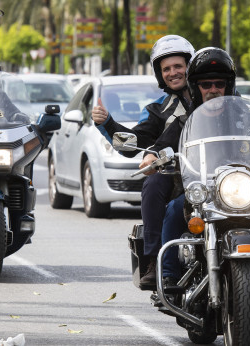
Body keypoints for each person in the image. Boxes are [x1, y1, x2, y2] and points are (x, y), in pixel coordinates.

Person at [150, 47, 250, 308]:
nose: (213, 89)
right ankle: (168, 279)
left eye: (219, 83)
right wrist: (153, 157)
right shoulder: (185, 122)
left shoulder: (246, 117)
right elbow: (161, 147)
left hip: (241, 186)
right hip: (205, 191)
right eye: (206, 84)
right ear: (196, 86)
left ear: (228, 85)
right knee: (174, 210)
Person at [91, 35, 195, 290]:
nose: (173, 73)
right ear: (160, 74)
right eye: (166, 69)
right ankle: (153, 260)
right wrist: (107, 123)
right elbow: (134, 142)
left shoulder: (213, 95)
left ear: (190, 66)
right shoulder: (159, 109)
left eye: (178, 66)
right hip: (177, 175)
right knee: (153, 183)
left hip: (219, 174)